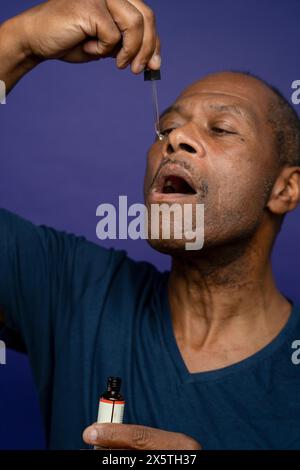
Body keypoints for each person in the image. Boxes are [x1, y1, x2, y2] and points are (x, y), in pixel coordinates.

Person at [0, 0, 300, 450]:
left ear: (284, 189)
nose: (175, 139)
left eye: (221, 128)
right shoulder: (73, 291)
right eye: (166, 129)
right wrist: (18, 43)